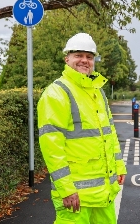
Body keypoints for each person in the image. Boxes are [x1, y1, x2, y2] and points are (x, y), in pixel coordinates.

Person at [37, 33, 127, 224]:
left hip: (103, 194)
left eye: (89, 56)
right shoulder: (57, 93)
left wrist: (119, 167)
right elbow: (52, 147)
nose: (84, 60)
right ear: (67, 58)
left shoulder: (97, 91)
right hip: (76, 197)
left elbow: (109, 134)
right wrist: (66, 188)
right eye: (78, 55)